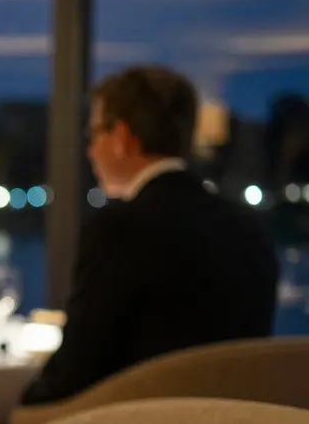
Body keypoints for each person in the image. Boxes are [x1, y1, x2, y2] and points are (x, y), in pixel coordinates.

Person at [21, 65, 278, 406]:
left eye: (94, 134)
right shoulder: (249, 228)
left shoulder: (120, 228)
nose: (89, 150)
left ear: (122, 138)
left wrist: (17, 405)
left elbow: (73, 371)